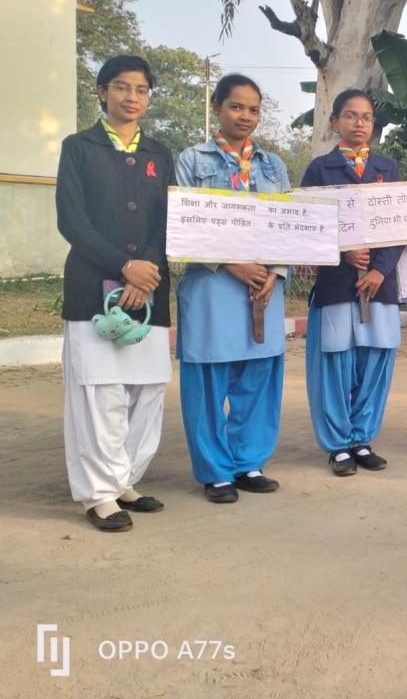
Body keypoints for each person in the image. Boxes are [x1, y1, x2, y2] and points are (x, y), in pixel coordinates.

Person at [56, 54, 174, 531]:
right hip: (93, 288)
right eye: (122, 87)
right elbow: (72, 220)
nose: (132, 97)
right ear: (102, 92)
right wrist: (123, 267)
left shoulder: (159, 154)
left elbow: (168, 221)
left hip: (150, 290)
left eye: (141, 89)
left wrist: (146, 271)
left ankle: (124, 480)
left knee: (146, 390)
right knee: (99, 392)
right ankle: (99, 494)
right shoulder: (78, 148)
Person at [175, 73, 290, 503]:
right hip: (212, 287)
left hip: (264, 287)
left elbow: (289, 225)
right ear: (217, 107)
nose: (245, 116)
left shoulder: (273, 165)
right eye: (236, 106)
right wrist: (230, 263)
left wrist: (275, 272)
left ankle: (248, 462)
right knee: (208, 381)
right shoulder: (192, 160)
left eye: (253, 109)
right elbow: (183, 225)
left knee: (259, 377)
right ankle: (216, 471)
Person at [302, 90, 402, 477]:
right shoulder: (319, 170)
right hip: (336, 286)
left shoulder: (388, 169)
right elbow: (305, 226)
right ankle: (338, 445)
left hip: (380, 287)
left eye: (366, 117)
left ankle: (362, 438)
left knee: (375, 362)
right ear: (334, 122)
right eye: (350, 115)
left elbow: (402, 227)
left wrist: (380, 269)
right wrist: (341, 252)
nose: (359, 123)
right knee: (334, 363)